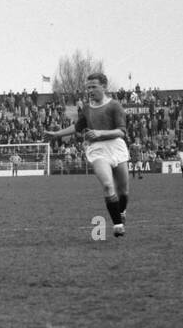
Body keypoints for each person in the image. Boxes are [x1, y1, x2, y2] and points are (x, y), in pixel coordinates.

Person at [44, 72, 131, 237]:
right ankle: (118, 225)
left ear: (104, 87)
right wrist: (56, 134)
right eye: (88, 87)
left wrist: (100, 133)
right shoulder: (87, 108)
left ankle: (122, 211)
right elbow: (77, 127)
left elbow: (122, 131)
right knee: (107, 185)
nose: (90, 90)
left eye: (94, 86)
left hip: (116, 147)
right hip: (97, 149)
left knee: (123, 191)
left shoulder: (114, 106)